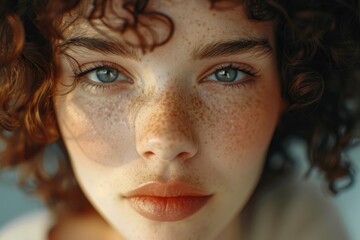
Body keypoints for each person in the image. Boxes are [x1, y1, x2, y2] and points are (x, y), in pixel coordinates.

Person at [0, 0, 359, 239]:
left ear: (292, 85)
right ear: (42, 91)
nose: (166, 140)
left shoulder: (302, 223)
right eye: (105, 73)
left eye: (228, 74)